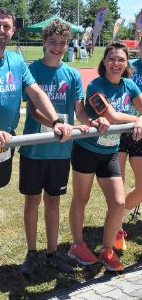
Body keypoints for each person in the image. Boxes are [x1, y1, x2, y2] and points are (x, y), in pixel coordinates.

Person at [0, 7, 72, 300]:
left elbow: (36, 93)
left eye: (7, 27)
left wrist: (57, 120)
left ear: (12, 31)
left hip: (3, 150)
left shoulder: (17, 61)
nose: (1, 31)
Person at [19, 19, 109, 277]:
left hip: (60, 151)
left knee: (53, 202)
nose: (57, 48)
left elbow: (79, 110)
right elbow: (35, 112)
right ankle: (31, 254)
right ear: (44, 42)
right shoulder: (32, 71)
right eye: (52, 43)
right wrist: (57, 124)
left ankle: (51, 253)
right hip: (34, 149)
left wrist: (93, 122)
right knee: (32, 202)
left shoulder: (71, 74)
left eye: (62, 43)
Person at [68, 41, 142, 272]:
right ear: (104, 62)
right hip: (87, 151)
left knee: (118, 203)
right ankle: (77, 245)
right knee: (81, 199)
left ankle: (107, 250)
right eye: (111, 59)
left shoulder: (129, 85)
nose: (116, 64)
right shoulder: (95, 86)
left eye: (121, 59)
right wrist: (137, 119)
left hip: (110, 152)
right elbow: (110, 115)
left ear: (126, 63)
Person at [117, 38, 142, 250]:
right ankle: (116, 227)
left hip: (140, 131)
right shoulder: (129, 66)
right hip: (119, 131)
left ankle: (117, 214)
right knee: (119, 183)